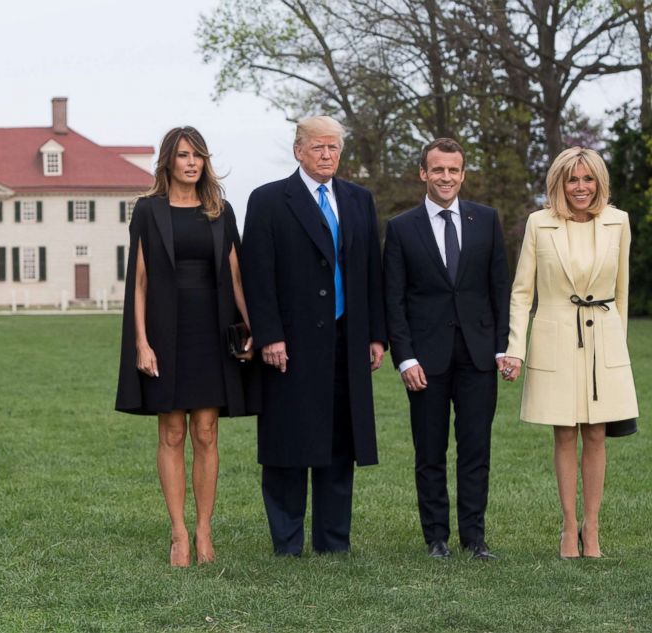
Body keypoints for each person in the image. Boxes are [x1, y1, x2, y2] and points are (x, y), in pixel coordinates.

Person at [240, 115, 386, 556]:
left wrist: (376, 335)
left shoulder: (359, 200)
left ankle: (332, 542)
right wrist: (269, 335)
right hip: (291, 344)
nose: (327, 156)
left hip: (347, 338)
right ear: (299, 150)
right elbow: (256, 274)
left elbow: (370, 273)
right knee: (288, 442)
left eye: (334, 148)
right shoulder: (268, 200)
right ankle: (287, 542)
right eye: (319, 148)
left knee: (341, 442)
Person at [115, 126, 253, 567]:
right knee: (172, 431)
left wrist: (252, 329)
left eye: (197, 156)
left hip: (212, 331)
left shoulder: (220, 210)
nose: (191, 163)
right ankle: (178, 534)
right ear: (168, 162)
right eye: (183, 155)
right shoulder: (148, 211)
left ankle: (205, 530)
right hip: (165, 329)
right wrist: (141, 341)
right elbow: (138, 280)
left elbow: (236, 275)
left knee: (207, 432)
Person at [502, 147, 639, 559]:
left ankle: (591, 528)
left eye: (588, 179)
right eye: (572, 180)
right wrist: (515, 348)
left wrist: (619, 347)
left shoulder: (619, 222)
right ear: (559, 183)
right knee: (564, 432)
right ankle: (567, 527)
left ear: (599, 182)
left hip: (604, 339)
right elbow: (523, 291)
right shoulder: (539, 224)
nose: (581, 187)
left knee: (597, 433)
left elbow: (622, 293)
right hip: (555, 337)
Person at [383, 138, 510, 560]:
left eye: (453, 170)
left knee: (476, 450)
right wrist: (405, 357)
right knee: (430, 451)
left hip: (478, 356)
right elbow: (394, 299)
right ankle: (436, 538)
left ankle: (475, 538)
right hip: (426, 359)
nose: (446, 177)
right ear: (423, 173)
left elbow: (499, 290)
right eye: (437, 170)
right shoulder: (402, 227)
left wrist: (501, 348)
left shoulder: (486, 220)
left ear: (463, 174)